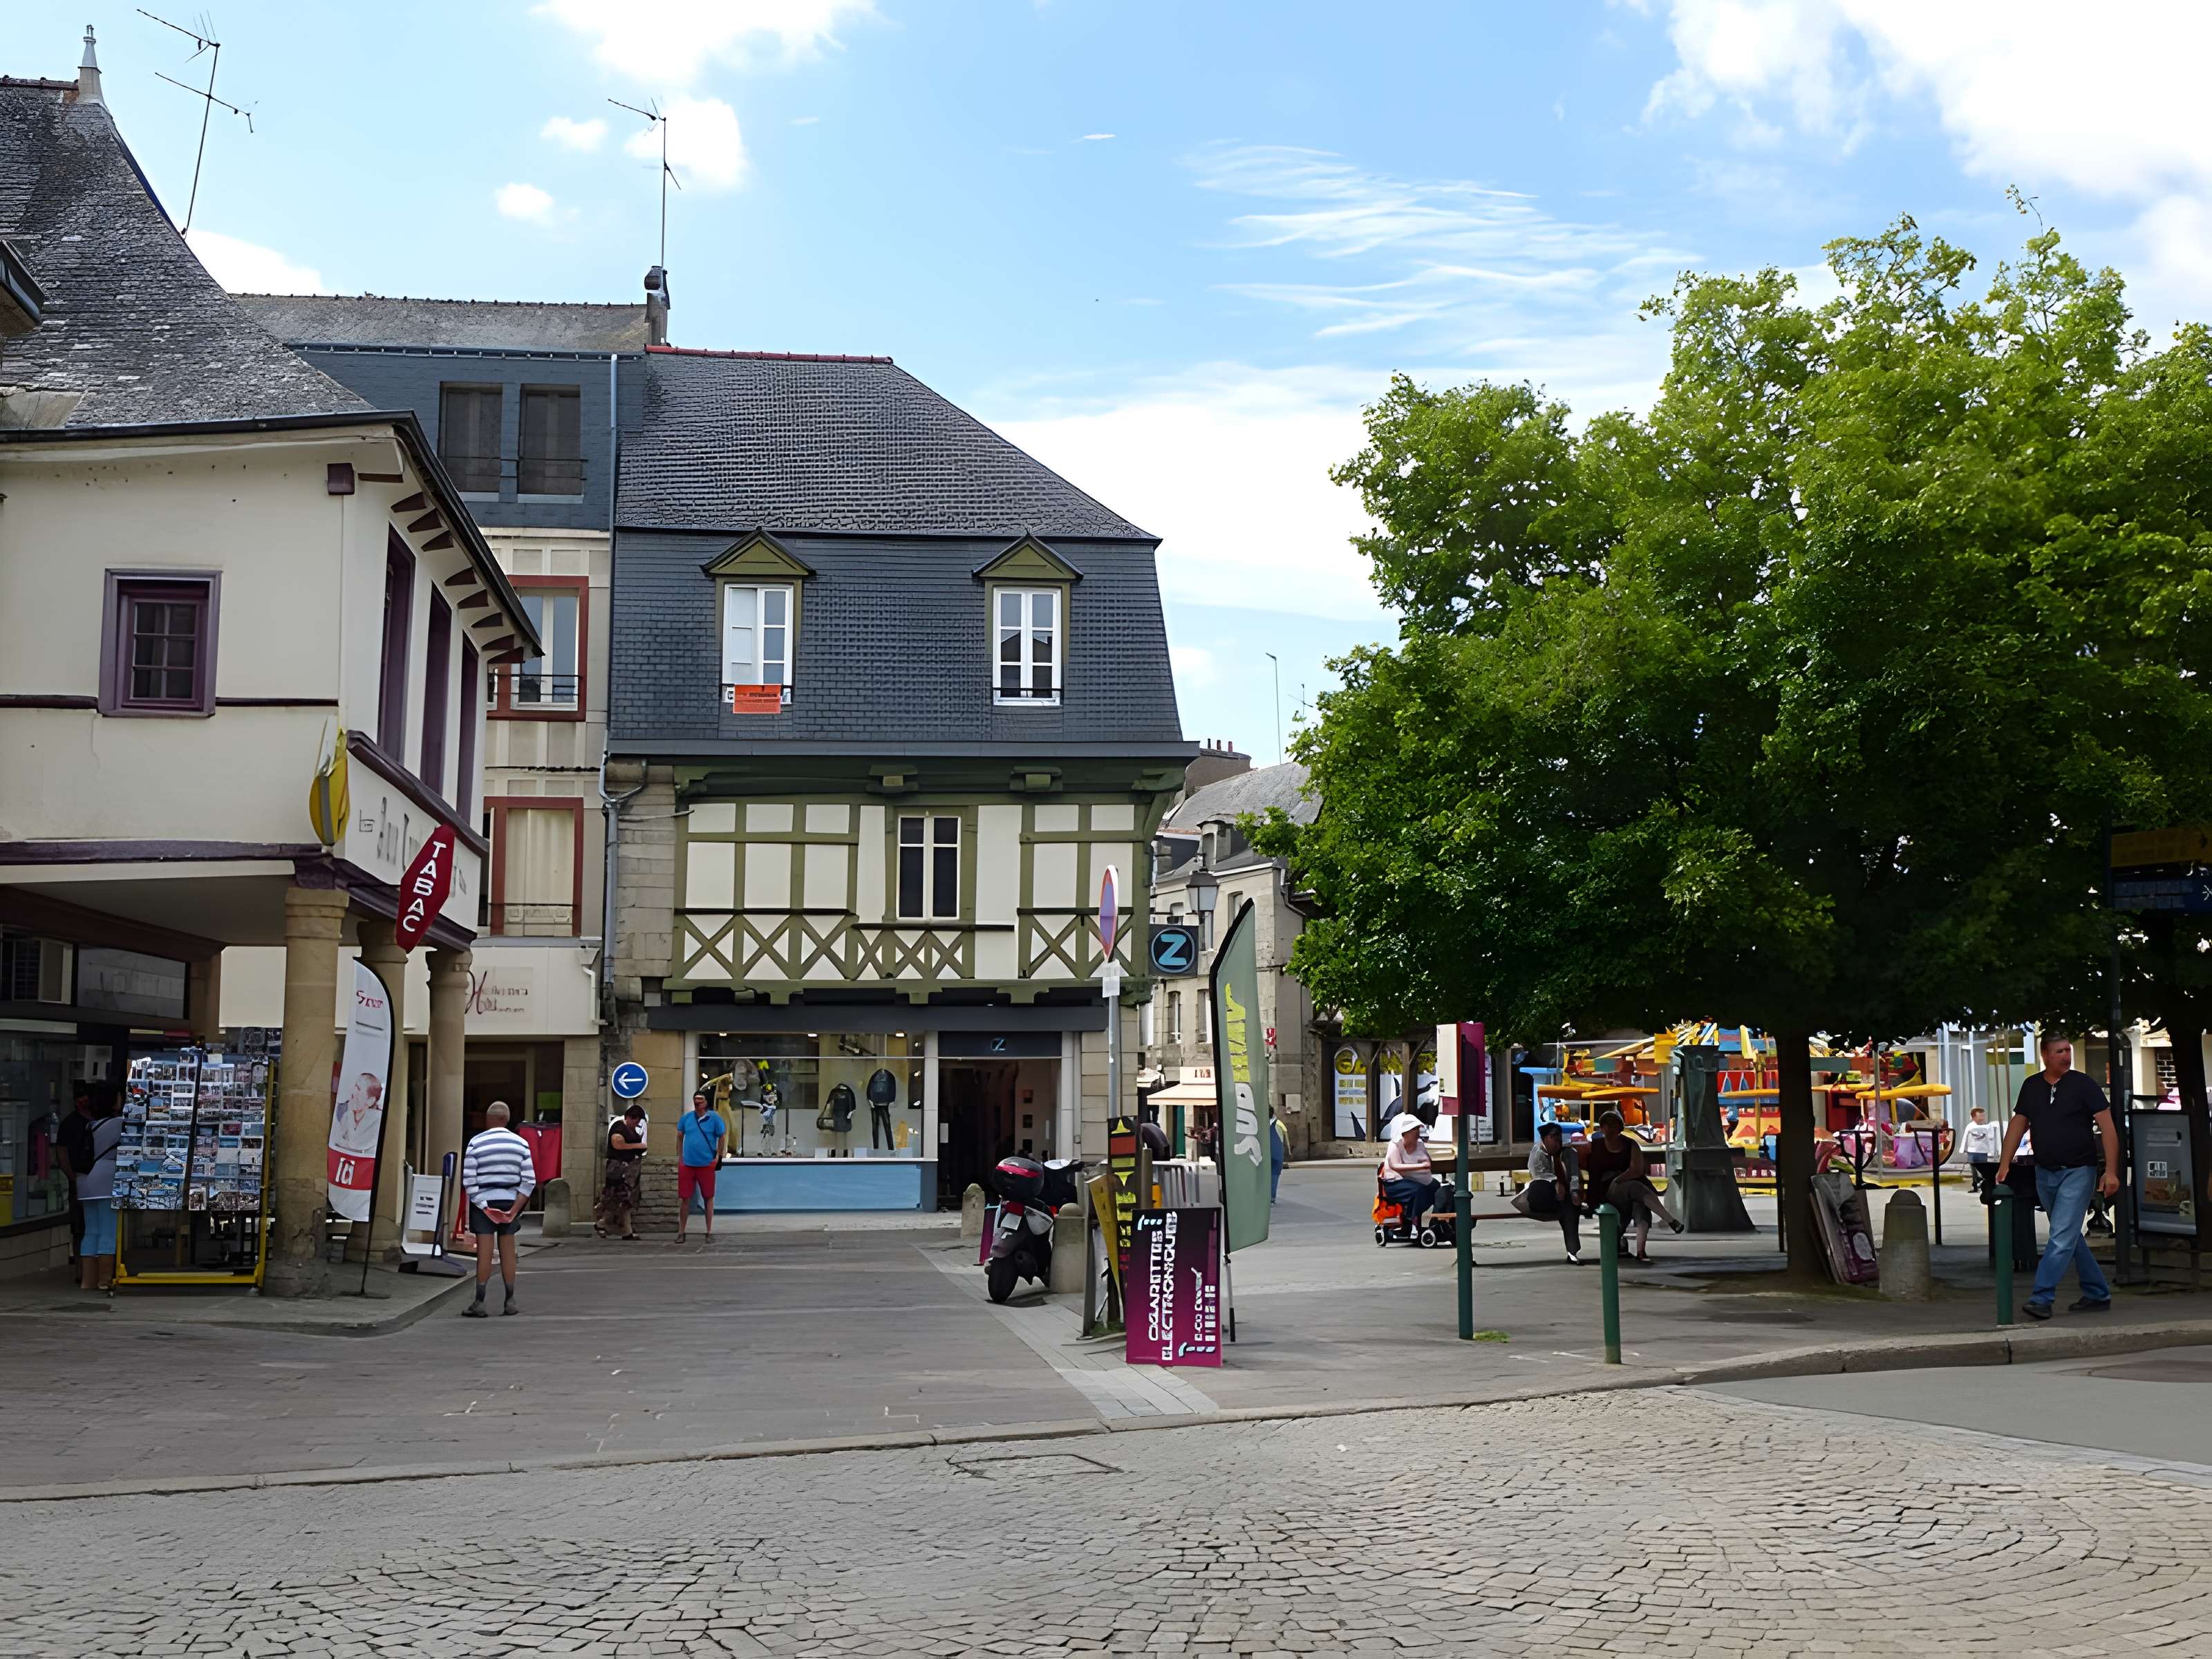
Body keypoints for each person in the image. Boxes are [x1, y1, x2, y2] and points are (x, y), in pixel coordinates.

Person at [1996, 1033, 2117, 1320]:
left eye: (2068, 1051)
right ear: (2045, 1055)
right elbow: (2018, 1124)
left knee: (2061, 1237)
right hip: (2045, 1172)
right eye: (2060, 1051)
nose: (2066, 1056)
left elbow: (2108, 1129)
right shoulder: (2032, 1086)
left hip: (2078, 1170)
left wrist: (2111, 1171)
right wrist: (2005, 1163)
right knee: (2069, 1235)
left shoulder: (2084, 1084)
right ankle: (2098, 1293)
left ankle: (2042, 1298)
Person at [460, 1101, 535, 1318]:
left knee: (484, 1250)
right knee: (508, 1249)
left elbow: (469, 1180)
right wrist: (514, 1209)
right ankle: (510, 1300)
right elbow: (529, 1180)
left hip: (484, 1202)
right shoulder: (521, 1144)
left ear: (488, 1119)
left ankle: (480, 1302)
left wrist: (484, 1207)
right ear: (507, 1119)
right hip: (510, 1201)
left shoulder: (476, 1142)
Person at [1584, 1110, 1683, 1263]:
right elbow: (1574, 1155)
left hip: (1629, 1185)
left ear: (1620, 1127)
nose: (1611, 1129)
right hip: (1607, 1190)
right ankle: (1670, 1220)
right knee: (1635, 1188)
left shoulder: (1630, 1145)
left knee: (1640, 1203)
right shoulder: (1594, 1146)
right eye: (1607, 1125)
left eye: (1614, 1125)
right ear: (1601, 1128)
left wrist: (1619, 1179)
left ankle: (1641, 1251)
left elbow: (1637, 1170)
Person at [76, 1087, 123, 1293]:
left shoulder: (90, 1125)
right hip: (105, 1179)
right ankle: (104, 1281)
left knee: (91, 1230)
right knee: (108, 1231)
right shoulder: (118, 1124)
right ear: (113, 1103)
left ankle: (88, 1281)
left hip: (85, 1180)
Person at [1522, 1121, 1584, 1264]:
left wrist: (1575, 1190)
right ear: (1544, 1139)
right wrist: (1556, 1183)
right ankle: (1572, 1250)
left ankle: (1572, 1252)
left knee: (1570, 1206)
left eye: (1559, 1136)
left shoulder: (1568, 1153)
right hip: (1543, 1195)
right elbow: (1539, 1176)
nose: (1558, 1140)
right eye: (1553, 1136)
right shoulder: (1538, 1153)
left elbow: (1574, 1175)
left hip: (1564, 1197)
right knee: (1560, 1201)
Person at [676, 1089, 727, 1244]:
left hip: (706, 1164)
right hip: (688, 1164)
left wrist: (718, 1156)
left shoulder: (714, 1118)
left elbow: (722, 1136)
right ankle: (681, 1231)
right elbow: (679, 1136)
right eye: (696, 1100)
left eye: (701, 1100)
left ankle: (709, 1231)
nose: (698, 1103)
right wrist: (681, 1158)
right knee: (685, 1198)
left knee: (708, 1197)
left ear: (706, 1102)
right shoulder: (686, 1119)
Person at [55, 1083, 95, 1268]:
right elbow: (62, 1153)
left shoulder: (98, 1120)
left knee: (92, 1225)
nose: (82, 1103)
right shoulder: (70, 1123)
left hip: (93, 1177)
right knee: (79, 1227)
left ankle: (90, 1267)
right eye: (80, 1100)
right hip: (78, 1178)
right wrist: (72, 1177)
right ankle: (81, 1267)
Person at [595, 1105, 647, 1239]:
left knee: (624, 1200)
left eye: (638, 1120)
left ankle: (607, 1224)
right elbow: (618, 1144)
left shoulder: (634, 1130)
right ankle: (617, 1227)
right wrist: (638, 1146)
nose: (636, 1123)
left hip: (630, 1171)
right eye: (635, 1120)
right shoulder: (619, 1128)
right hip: (618, 1170)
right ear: (629, 1117)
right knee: (615, 1198)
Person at [1379, 1116, 1436, 1235]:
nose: (1417, 1133)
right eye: (1414, 1130)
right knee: (1418, 1191)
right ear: (1405, 1132)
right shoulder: (1395, 1145)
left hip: (1414, 1179)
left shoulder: (1420, 1144)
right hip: (1395, 1183)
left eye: (1417, 1129)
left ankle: (1437, 1222)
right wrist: (1420, 1166)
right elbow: (1396, 1166)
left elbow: (1427, 1160)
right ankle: (1413, 1221)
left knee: (1436, 1188)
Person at [1962, 1106, 2003, 1200]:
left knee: (1984, 1171)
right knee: (1976, 1170)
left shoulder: (1985, 1127)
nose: (1982, 1118)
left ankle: (1984, 1185)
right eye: (1980, 1116)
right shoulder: (1972, 1127)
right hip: (1974, 1152)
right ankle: (1977, 1185)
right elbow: (1979, 1131)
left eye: (1983, 1116)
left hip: (1982, 1152)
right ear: (1973, 1117)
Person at [1270, 1112, 1288, 1205]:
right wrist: (1288, 1152)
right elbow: (1285, 1140)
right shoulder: (1280, 1124)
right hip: (1277, 1154)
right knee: (1274, 1176)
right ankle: (1272, 1198)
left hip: (1266, 1154)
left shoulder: (1260, 1124)